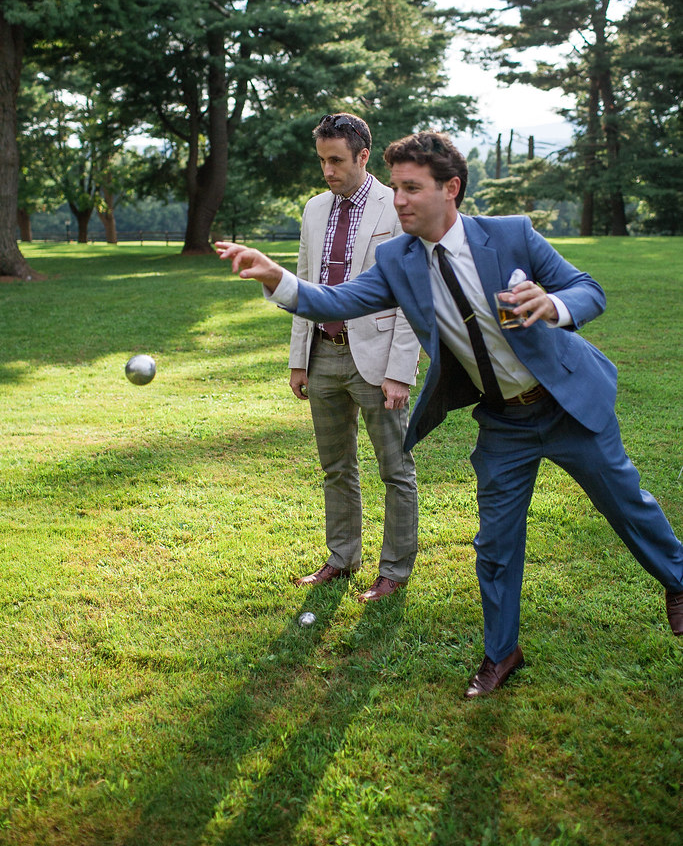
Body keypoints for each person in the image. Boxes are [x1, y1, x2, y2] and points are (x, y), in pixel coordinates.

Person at [216, 130, 683, 698]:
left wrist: (554, 305)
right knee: (495, 544)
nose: (399, 200)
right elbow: (334, 301)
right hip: (504, 424)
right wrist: (276, 278)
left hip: (567, 405)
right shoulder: (397, 260)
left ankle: (678, 581)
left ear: (451, 189)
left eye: (411, 188)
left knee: (627, 506)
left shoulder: (510, 235)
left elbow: (589, 288)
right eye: (395, 188)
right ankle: (501, 653)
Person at [288, 113, 420, 602]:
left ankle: (394, 571)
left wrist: (399, 372)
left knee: (395, 470)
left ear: (364, 156)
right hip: (323, 355)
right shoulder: (314, 209)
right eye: (322, 160)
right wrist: (299, 359)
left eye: (336, 160)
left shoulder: (395, 207)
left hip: (379, 360)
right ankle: (342, 559)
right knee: (336, 468)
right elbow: (304, 284)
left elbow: (412, 294)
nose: (327, 170)